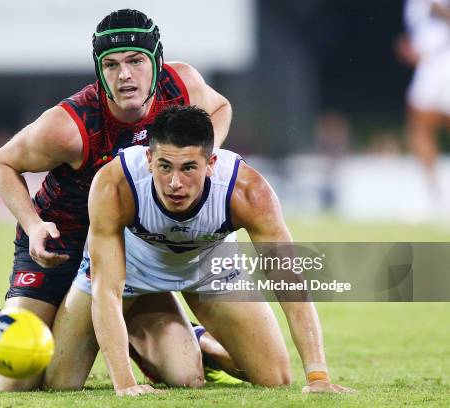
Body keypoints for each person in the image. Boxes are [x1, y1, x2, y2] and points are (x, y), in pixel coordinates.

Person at [0, 9, 233, 391]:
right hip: (62, 241)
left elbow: (220, 108)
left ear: (156, 62)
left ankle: (159, 338)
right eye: (111, 65)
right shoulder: (70, 126)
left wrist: (203, 159)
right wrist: (33, 225)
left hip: (127, 246)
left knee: (187, 377)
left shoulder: (182, 85)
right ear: (98, 69)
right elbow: (2, 163)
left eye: (136, 61)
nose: (124, 75)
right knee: (18, 382)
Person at [58, 105, 354, 396]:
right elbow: (107, 289)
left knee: (275, 377)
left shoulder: (248, 192)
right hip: (131, 269)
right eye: (164, 166)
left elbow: (291, 283)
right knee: (60, 381)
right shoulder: (115, 184)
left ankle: (199, 339)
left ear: (211, 163)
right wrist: (124, 383)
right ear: (149, 159)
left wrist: (317, 376)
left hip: (209, 266)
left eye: (188, 168)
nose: (175, 183)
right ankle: (141, 322)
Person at [401, 0, 450, 209]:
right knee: (419, 126)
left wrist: (440, 10)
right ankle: (434, 193)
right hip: (429, 64)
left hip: (444, 61)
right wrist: (414, 49)